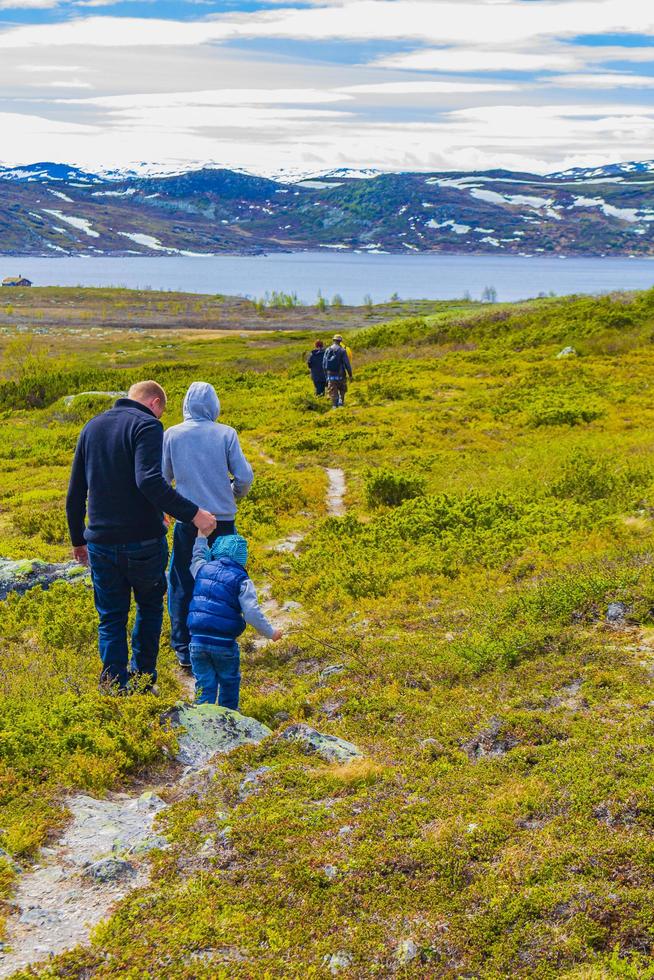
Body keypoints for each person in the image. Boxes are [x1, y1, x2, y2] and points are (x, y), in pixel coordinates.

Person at [65, 381, 216, 692]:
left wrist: (78, 540)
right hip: (143, 542)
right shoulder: (148, 425)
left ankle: (113, 686)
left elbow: (75, 491)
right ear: (155, 403)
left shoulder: (92, 427)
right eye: (162, 411)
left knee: (110, 617)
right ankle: (143, 680)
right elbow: (148, 480)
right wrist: (194, 513)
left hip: (101, 542)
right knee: (148, 608)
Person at [163, 381, 253, 670]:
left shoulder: (172, 435)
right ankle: (222, 640)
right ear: (214, 405)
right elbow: (245, 476)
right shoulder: (226, 433)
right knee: (226, 582)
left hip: (188, 520)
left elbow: (161, 480)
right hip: (223, 521)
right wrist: (232, 492)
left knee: (182, 582)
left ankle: (184, 647)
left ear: (186, 404)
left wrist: (168, 508)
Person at [188, 533, 282, 708]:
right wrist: (271, 633)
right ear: (242, 557)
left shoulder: (202, 569)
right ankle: (228, 720)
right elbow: (252, 613)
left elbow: (197, 558)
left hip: (196, 641)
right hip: (223, 644)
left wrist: (201, 538)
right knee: (229, 682)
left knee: (204, 684)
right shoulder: (242, 580)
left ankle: (200, 720)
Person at [323, 334, 353, 408]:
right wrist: (350, 375)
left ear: (333, 340)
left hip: (330, 375)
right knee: (342, 390)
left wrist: (326, 376)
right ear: (340, 341)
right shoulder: (342, 351)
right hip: (341, 375)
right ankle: (341, 404)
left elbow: (324, 364)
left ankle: (334, 406)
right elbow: (347, 364)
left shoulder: (327, 349)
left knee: (333, 391)